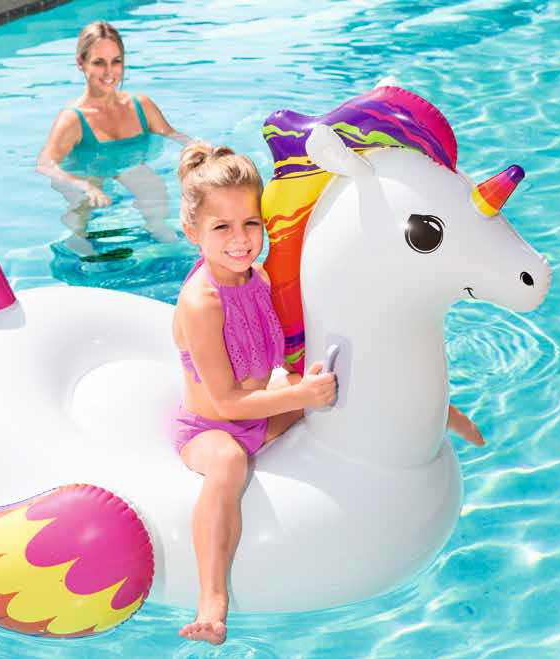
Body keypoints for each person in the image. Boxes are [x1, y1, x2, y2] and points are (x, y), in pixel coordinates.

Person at [170, 143, 486, 645]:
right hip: (211, 428)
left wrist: (309, 387)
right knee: (228, 462)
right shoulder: (201, 303)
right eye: (221, 227)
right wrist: (302, 397)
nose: (241, 239)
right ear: (192, 232)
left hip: (262, 415)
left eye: (250, 223)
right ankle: (212, 598)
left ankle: (436, 411)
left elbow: (291, 354)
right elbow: (226, 403)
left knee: (346, 384)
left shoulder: (260, 278)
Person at [36, 21, 191, 256]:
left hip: (128, 164)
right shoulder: (73, 119)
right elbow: (45, 164)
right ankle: (77, 240)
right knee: (88, 195)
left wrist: (201, 149)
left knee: (152, 186)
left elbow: (172, 135)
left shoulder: (141, 106)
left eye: (116, 61)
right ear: (80, 63)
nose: (109, 72)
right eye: (99, 62)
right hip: (88, 171)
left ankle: (159, 233)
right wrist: (83, 185)